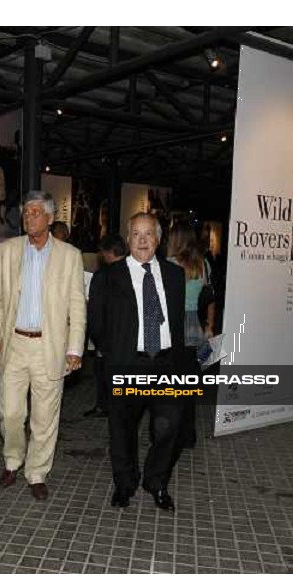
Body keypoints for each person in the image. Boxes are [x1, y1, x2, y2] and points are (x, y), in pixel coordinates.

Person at [0, 190, 86, 501]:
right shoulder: (8, 251)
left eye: (36, 212)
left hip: (50, 347)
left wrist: (75, 349)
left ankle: (37, 472)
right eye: (26, 212)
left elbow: (77, 306)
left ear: (51, 218)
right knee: (10, 413)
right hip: (14, 344)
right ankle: (13, 459)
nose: (29, 217)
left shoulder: (70, 255)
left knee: (45, 418)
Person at [88, 212, 186, 511]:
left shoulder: (174, 275)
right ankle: (125, 484)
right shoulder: (107, 277)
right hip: (127, 363)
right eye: (136, 234)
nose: (142, 240)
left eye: (148, 234)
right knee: (122, 429)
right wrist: (116, 353)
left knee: (170, 428)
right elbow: (96, 323)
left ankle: (156, 483)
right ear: (128, 239)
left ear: (158, 239)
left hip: (166, 364)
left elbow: (177, 321)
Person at [166, 220, 215, 448]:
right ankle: (188, 435)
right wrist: (209, 326)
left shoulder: (169, 264)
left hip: (173, 326)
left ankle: (172, 433)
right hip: (194, 324)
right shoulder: (203, 264)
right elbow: (210, 298)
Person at [83, 233, 127, 418]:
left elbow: (95, 309)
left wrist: (97, 337)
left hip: (106, 335)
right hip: (128, 336)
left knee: (103, 373)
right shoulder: (136, 272)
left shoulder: (102, 276)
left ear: (108, 253)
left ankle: (104, 405)